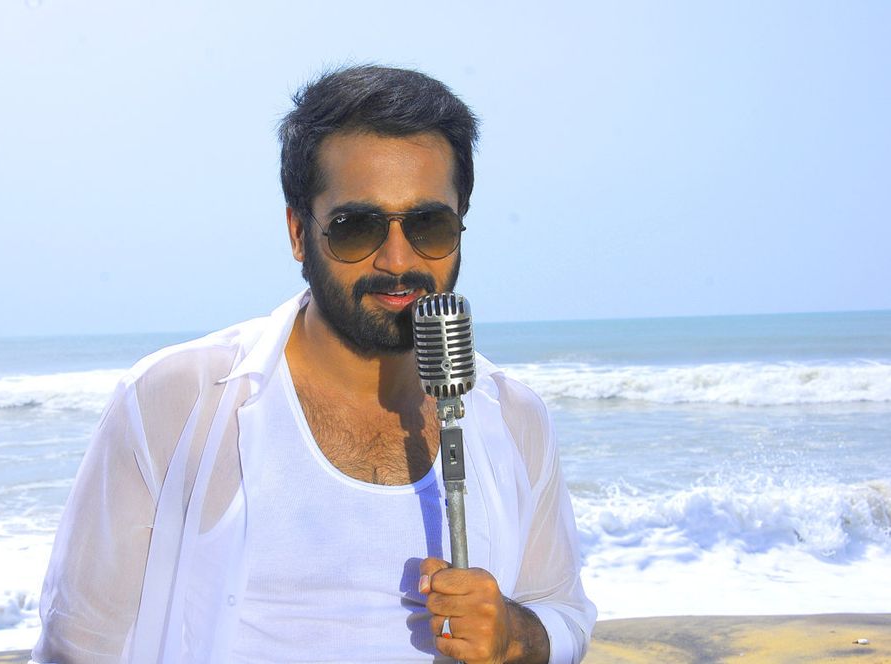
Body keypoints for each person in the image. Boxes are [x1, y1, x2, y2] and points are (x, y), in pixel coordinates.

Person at [32, 65, 596, 664]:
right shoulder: (179, 399)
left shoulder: (512, 417)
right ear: (299, 233)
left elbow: (563, 612)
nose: (397, 259)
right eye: (357, 228)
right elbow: (79, 645)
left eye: (429, 224)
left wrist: (515, 635)